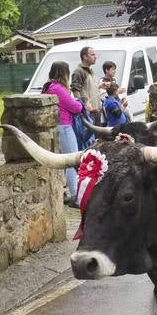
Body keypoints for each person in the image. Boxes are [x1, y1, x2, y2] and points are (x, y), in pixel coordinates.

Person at [43, 61, 84, 206]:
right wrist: (80, 102)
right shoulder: (58, 89)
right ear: (63, 73)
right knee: (72, 160)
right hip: (64, 126)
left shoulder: (49, 86)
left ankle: (65, 192)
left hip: (60, 126)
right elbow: (75, 107)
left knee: (64, 162)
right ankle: (75, 196)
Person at [71, 46, 101, 123]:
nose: (95, 57)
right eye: (92, 55)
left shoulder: (91, 71)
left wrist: (100, 86)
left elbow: (89, 88)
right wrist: (84, 108)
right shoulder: (79, 72)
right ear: (85, 57)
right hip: (88, 113)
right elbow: (76, 91)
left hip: (96, 111)